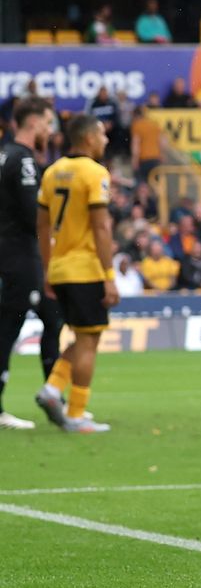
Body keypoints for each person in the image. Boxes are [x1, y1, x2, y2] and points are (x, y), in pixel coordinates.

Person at [34, 114, 119, 433]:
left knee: (83, 338)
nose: (105, 140)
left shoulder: (52, 172)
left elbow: (42, 226)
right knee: (89, 342)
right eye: (101, 134)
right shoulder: (95, 173)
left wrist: (48, 269)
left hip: (60, 268)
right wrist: (109, 275)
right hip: (86, 268)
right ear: (88, 138)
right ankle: (76, 414)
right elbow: (101, 227)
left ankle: (52, 388)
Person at [0, 99, 63, 429]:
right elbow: (33, 217)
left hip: (14, 255)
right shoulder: (23, 160)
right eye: (48, 124)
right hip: (21, 258)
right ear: (34, 123)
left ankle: (55, 398)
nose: (50, 132)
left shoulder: (4, 154)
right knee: (8, 328)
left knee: (52, 319)